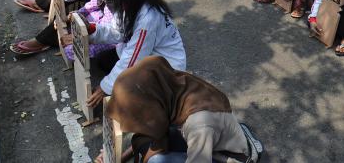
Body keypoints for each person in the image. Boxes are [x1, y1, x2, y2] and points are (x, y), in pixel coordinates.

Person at [95, 56, 262, 163]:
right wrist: (118, 158)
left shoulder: (199, 125)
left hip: (226, 158)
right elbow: (151, 130)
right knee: (142, 139)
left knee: (155, 162)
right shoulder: (173, 86)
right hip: (208, 141)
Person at [85, 0, 187, 108]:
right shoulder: (130, 2)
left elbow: (132, 59)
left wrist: (104, 88)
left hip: (168, 70)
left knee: (126, 100)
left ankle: (160, 101)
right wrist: (92, 31)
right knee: (104, 61)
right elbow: (117, 31)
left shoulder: (149, 17)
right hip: (148, 58)